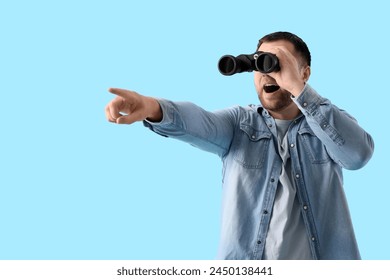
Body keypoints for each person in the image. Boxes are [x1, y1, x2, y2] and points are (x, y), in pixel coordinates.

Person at [104, 31, 374, 260]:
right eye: (260, 66)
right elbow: (198, 121)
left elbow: (358, 155)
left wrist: (300, 90)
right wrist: (151, 106)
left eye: (277, 64)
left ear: (304, 72)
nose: (267, 74)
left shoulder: (327, 122)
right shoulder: (239, 124)